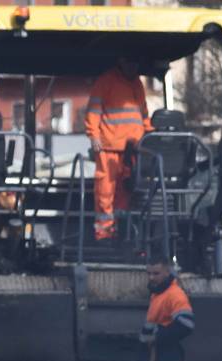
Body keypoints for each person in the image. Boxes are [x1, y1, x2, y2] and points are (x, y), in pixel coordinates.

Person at [84, 56, 153, 241]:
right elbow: (93, 110)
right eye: (130, 62)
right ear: (121, 62)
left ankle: (122, 229)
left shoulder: (137, 83)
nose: (133, 66)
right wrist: (94, 135)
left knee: (127, 188)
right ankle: (104, 231)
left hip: (133, 147)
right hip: (109, 146)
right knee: (105, 189)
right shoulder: (106, 81)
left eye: (135, 63)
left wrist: (150, 135)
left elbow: (143, 113)